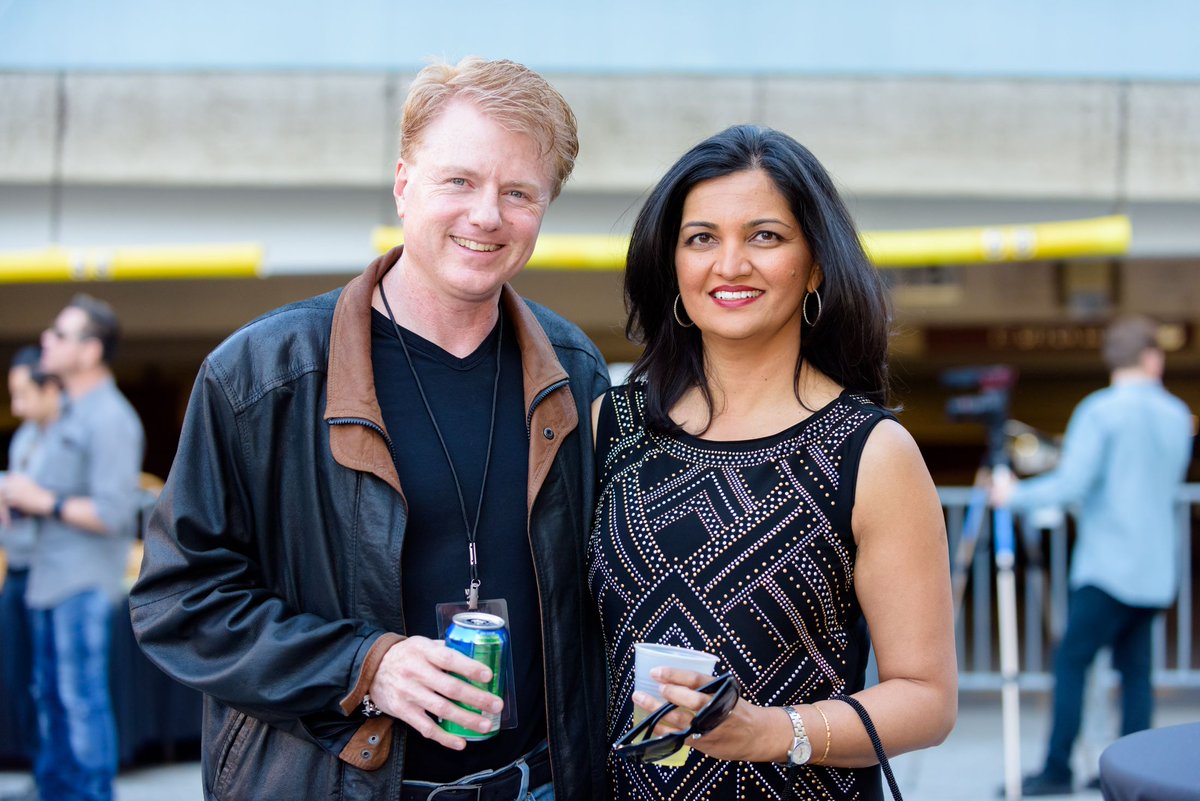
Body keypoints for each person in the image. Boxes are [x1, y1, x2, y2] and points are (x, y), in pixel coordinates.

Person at [129, 57, 609, 801]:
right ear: (403, 183)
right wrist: (364, 668)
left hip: (536, 785)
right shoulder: (263, 375)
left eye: (518, 192)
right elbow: (178, 602)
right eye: (459, 180)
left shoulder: (573, 370)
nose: (487, 215)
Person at [588, 125, 957, 799]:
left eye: (764, 236)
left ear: (814, 265)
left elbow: (927, 699)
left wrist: (769, 731)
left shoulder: (869, 450)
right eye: (702, 238)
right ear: (673, 264)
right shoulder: (611, 425)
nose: (730, 263)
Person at [991, 315, 1192, 796]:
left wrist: (1013, 495)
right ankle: (1136, 770)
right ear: (1152, 358)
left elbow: (1073, 483)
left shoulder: (1099, 411)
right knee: (1136, 672)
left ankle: (1057, 768)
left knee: (1071, 662)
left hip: (1106, 566)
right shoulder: (1178, 414)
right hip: (1155, 568)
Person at [0, 296, 145, 801]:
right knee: (52, 701)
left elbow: (113, 513)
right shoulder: (63, 414)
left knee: (79, 702)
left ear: (90, 351)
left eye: (59, 335)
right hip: (46, 578)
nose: (47, 340)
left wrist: (41, 500)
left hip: (80, 583)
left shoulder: (110, 419)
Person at [0, 346, 62, 799]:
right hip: (18, 569)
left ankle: (58, 778)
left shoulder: (70, 437)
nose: (17, 406)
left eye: (23, 394)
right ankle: (42, 772)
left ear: (49, 388)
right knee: (18, 675)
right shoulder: (24, 439)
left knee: (54, 683)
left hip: (54, 573)